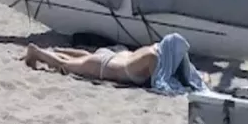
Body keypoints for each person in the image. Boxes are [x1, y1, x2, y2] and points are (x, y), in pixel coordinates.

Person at [23, 42, 160, 86]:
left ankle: (56, 50)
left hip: (110, 56)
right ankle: (36, 52)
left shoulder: (153, 47)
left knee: (85, 57)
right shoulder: (152, 58)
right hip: (102, 66)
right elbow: (158, 85)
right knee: (64, 64)